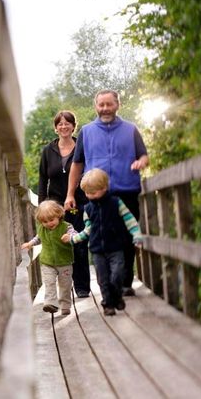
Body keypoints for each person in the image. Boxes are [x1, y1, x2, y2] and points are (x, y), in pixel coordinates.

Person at [64, 89, 149, 297]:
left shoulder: (130, 129)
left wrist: (141, 162)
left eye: (109, 104)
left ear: (117, 104)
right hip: (95, 195)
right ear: (96, 106)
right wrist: (70, 194)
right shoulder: (86, 131)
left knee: (128, 236)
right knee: (98, 236)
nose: (105, 108)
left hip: (126, 190)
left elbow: (144, 155)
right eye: (101, 105)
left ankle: (125, 282)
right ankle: (107, 282)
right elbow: (77, 164)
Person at [62, 169, 143, 316]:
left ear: (104, 188)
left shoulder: (116, 203)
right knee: (103, 279)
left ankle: (117, 296)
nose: (90, 196)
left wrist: (136, 236)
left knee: (117, 275)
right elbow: (88, 230)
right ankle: (108, 304)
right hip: (97, 250)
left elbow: (130, 220)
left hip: (116, 247)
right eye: (87, 193)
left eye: (93, 192)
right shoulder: (88, 208)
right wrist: (73, 239)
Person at [38, 110, 90, 298]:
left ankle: (82, 286)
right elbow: (43, 180)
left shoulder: (81, 147)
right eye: (60, 124)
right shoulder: (47, 151)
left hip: (80, 201)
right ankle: (62, 288)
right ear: (55, 128)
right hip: (55, 206)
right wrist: (41, 207)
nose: (63, 126)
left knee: (79, 243)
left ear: (73, 126)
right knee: (59, 245)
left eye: (67, 123)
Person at [21, 200, 77, 316]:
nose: (48, 223)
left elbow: (75, 234)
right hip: (47, 262)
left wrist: (70, 237)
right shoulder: (42, 229)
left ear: (59, 215)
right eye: (44, 221)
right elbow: (38, 238)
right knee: (49, 283)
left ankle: (65, 305)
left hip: (64, 262)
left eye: (51, 220)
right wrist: (30, 244)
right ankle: (51, 303)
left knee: (65, 285)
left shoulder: (66, 227)